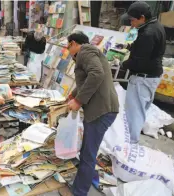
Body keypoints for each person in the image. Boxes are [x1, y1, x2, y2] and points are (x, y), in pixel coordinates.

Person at [66, 32, 119, 196]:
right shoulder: (87, 53)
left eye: (68, 46)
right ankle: (79, 186)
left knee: (88, 154)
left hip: (101, 111)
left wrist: (79, 101)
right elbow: (86, 79)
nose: (68, 50)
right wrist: (73, 94)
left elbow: (96, 74)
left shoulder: (85, 52)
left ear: (73, 43)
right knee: (87, 151)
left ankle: (80, 192)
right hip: (101, 109)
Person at [121, 2, 166, 143]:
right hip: (151, 76)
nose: (131, 23)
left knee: (134, 114)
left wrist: (121, 63)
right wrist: (130, 47)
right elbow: (145, 50)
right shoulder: (155, 25)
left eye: (133, 20)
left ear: (142, 17)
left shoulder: (148, 33)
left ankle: (130, 145)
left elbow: (139, 61)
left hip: (143, 77)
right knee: (139, 111)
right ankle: (131, 142)